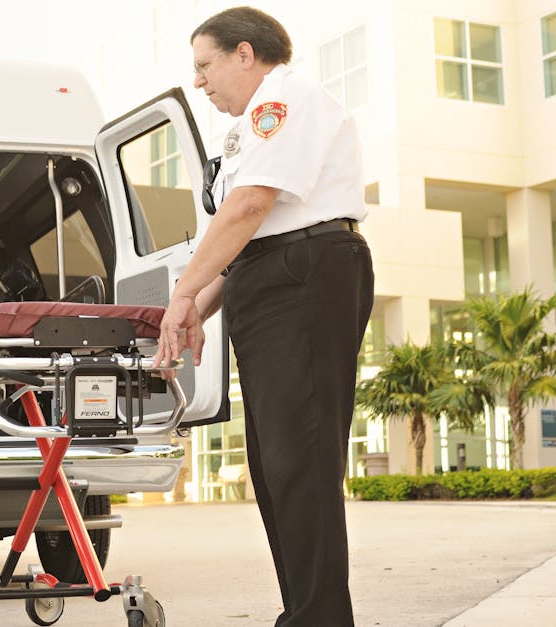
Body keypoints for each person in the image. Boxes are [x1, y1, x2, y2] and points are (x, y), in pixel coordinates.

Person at [154, 7, 374, 626]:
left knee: (300, 459)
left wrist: (182, 293)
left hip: (304, 274)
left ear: (244, 54)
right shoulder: (250, 126)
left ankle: (318, 619)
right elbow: (250, 239)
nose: (199, 81)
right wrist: (198, 306)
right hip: (273, 276)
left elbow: (251, 206)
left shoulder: (285, 101)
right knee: (276, 463)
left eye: (205, 65)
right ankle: (306, 611)